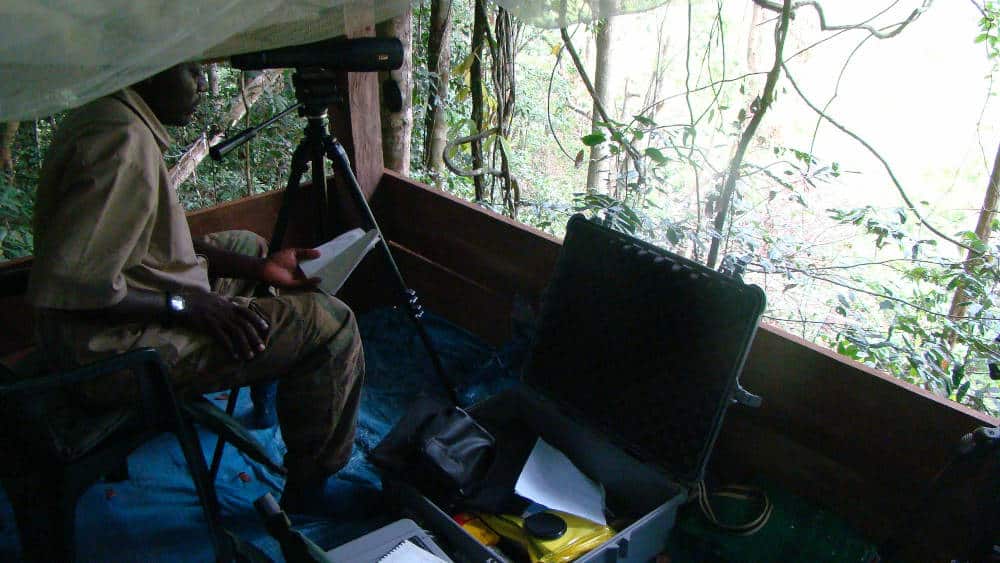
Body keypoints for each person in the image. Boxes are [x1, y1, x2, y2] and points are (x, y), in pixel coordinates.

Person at [26, 62, 364, 513]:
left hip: (108, 324)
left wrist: (260, 268)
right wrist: (189, 305)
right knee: (332, 323)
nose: (202, 85)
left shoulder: (109, 113)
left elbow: (157, 248)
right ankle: (312, 485)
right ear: (149, 72)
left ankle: (267, 378)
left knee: (247, 245)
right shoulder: (122, 144)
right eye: (192, 73)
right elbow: (79, 288)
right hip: (108, 355)